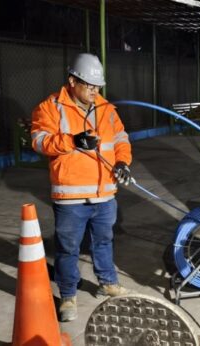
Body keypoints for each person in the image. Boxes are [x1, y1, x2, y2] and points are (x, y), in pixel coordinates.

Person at [31, 53, 134, 322]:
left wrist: (123, 162)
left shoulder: (108, 110)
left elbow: (122, 139)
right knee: (68, 248)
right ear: (72, 81)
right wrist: (72, 141)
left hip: (104, 193)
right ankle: (68, 295)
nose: (94, 91)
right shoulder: (50, 108)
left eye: (97, 86)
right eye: (89, 85)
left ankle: (107, 282)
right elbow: (39, 141)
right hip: (71, 196)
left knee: (104, 241)